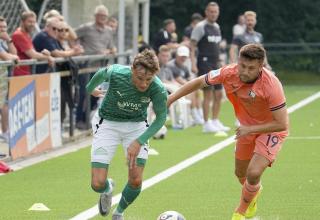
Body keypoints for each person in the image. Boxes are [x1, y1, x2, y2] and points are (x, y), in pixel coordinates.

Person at [167, 44, 289, 220]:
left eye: (251, 68)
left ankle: (239, 213)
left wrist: (250, 129)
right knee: (241, 174)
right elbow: (200, 81)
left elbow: (282, 124)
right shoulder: (228, 72)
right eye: (242, 65)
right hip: (246, 129)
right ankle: (253, 194)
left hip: (271, 129)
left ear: (261, 66)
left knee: (253, 173)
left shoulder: (271, 85)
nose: (245, 71)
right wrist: (171, 98)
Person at [86, 49, 167, 220]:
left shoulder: (158, 88)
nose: (144, 84)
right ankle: (108, 188)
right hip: (107, 124)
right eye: (139, 78)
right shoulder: (116, 72)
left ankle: (119, 212)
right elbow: (100, 73)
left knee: (136, 180)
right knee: (97, 184)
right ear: (132, 69)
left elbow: (160, 119)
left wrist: (139, 141)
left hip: (136, 128)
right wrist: (91, 88)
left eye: (148, 79)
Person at [75, 4, 116, 130]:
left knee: (96, 94)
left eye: (104, 16)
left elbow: (111, 47)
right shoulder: (86, 28)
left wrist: (111, 51)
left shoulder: (109, 30)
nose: (102, 18)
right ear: (95, 16)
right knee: (84, 92)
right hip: (86, 67)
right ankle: (79, 120)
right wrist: (77, 48)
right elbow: (71, 35)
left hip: (100, 68)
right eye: (100, 15)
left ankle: (88, 119)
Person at [190, 2, 230, 132]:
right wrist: (193, 63)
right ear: (206, 12)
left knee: (218, 93)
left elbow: (217, 46)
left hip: (215, 63)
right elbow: (192, 45)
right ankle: (206, 123)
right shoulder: (201, 27)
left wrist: (220, 61)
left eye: (215, 12)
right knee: (208, 93)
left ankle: (215, 120)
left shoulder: (217, 27)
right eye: (211, 12)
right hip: (204, 62)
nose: (213, 14)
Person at [12, 11, 54, 76]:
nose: (32, 24)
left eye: (34, 22)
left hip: (25, 73)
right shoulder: (18, 35)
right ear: (22, 22)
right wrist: (48, 57)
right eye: (29, 22)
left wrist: (44, 53)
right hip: (19, 74)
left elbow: (33, 53)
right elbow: (33, 55)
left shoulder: (26, 34)